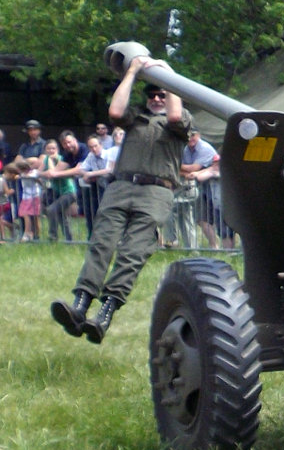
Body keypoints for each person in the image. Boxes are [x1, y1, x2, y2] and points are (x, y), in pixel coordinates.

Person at [50, 57, 192, 344]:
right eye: (152, 94)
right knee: (101, 243)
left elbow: (175, 117)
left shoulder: (181, 120)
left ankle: (105, 312)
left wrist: (170, 78)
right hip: (122, 186)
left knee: (132, 252)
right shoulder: (135, 118)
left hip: (156, 192)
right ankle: (80, 304)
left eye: (161, 94)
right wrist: (132, 71)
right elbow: (115, 110)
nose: (155, 98)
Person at [36, 140, 79, 242]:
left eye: (53, 148)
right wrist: (43, 173)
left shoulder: (61, 159)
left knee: (52, 210)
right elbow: (38, 173)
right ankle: (69, 239)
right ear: (45, 150)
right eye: (48, 149)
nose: (51, 151)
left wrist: (50, 162)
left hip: (69, 192)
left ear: (57, 150)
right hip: (58, 192)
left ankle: (52, 236)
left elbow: (52, 173)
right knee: (61, 215)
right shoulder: (45, 159)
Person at [78, 136, 113, 239]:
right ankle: (92, 235)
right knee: (90, 211)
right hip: (97, 186)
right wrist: (88, 174)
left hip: (109, 187)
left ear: (100, 145)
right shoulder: (91, 156)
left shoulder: (109, 154)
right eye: (91, 147)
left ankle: (106, 236)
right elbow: (81, 169)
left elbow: (109, 170)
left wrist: (91, 174)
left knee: (105, 212)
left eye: (95, 146)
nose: (94, 149)